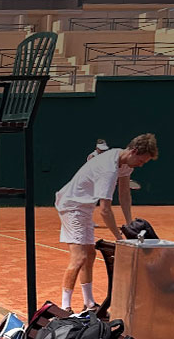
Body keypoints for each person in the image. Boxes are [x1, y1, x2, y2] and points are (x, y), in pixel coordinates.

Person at [55, 133, 158, 312]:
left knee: (90, 254)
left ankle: (89, 304)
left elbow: (124, 194)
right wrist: (120, 238)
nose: (141, 165)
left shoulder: (124, 162)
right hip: (71, 206)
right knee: (79, 257)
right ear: (134, 151)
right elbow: (105, 210)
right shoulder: (108, 169)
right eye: (141, 160)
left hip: (85, 207)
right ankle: (65, 308)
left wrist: (129, 223)